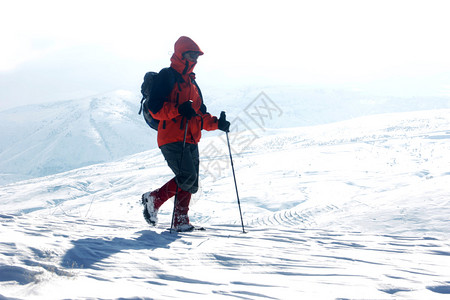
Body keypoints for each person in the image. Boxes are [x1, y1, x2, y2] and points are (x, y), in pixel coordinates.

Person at [141, 36, 230, 232]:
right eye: (192, 55)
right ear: (181, 54)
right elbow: (156, 109)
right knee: (187, 176)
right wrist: (179, 109)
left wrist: (218, 124)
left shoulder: (192, 84)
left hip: (191, 138)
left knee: (191, 183)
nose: (195, 59)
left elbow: (200, 115)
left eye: (197, 56)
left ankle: (180, 221)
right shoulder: (167, 76)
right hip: (171, 137)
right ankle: (154, 199)